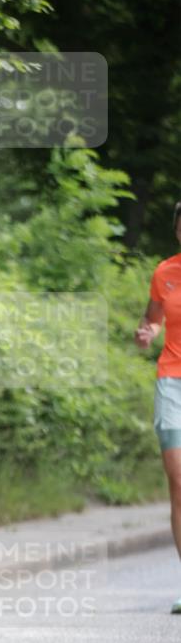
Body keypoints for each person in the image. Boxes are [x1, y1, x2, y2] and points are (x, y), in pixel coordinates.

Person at [135, 200, 181, 613]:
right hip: (172, 381)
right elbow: (152, 318)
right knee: (178, 480)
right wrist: (146, 332)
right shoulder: (165, 273)